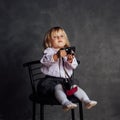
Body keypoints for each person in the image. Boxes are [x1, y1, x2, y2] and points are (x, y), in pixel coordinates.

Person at [37, 26, 97, 111]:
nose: (59, 38)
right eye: (55, 37)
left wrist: (70, 60)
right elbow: (45, 62)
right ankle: (65, 103)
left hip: (66, 81)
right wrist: (57, 55)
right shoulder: (49, 51)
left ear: (65, 39)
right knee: (58, 87)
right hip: (51, 81)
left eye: (61, 36)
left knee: (75, 87)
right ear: (49, 41)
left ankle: (86, 101)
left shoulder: (69, 51)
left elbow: (74, 66)